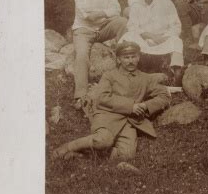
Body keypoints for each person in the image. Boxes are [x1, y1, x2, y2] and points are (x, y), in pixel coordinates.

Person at [52, 41, 170, 169]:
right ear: (119, 59)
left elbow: (164, 95)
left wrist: (147, 105)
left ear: (138, 58)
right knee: (103, 140)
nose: (130, 61)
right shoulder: (109, 76)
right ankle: (67, 147)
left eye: (133, 57)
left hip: (130, 122)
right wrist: (131, 106)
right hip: (107, 116)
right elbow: (102, 97)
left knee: (127, 155)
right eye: (126, 57)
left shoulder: (145, 78)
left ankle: (82, 156)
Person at [72, 0, 127, 110]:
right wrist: (105, 13)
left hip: (102, 29)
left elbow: (117, 10)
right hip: (83, 30)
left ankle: (123, 72)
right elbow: (86, 16)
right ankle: (80, 96)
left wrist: (101, 13)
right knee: (82, 55)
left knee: (122, 22)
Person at [120, 0, 184, 85]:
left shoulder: (167, 4)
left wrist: (162, 37)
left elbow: (176, 26)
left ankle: (176, 74)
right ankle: (127, 71)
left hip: (163, 40)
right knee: (128, 36)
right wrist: (149, 36)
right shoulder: (136, 6)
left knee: (177, 41)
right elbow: (132, 26)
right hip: (144, 41)